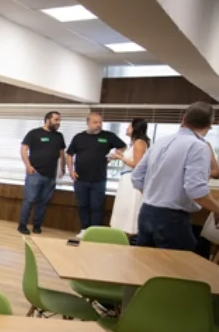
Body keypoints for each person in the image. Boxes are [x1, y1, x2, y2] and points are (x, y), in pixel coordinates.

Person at [132, 102, 219, 251]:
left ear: (183, 119)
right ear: (210, 124)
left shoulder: (161, 142)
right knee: (179, 269)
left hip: (147, 211)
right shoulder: (198, 146)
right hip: (172, 219)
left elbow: (137, 177)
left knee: (145, 266)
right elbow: (196, 190)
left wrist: (156, 196)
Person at [66, 113, 126, 236]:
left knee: (97, 206)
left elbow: (122, 146)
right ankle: (84, 230)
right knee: (83, 205)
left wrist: (112, 156)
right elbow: (69, 154)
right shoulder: (79, 137)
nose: (98, 125)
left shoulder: (108, 136)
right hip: (80, 178)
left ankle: (95, 233)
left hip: (99, 179)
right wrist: (71, 170)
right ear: (88, 123)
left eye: (100, 122)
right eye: (95, 122)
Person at [18, 110, 65, 235]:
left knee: (44, 202)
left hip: (50, 175)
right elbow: (23, 149)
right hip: (35, 172)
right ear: (47, 120)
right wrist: (28, 165)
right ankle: (22, 225)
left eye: (59, 120)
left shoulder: (59, 136)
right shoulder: (34, 133)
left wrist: (63, 168)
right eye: (56, 120)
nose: (58, 123)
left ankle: (37, 225)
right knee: (30, 199)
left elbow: (62, 154)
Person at [109, 118, 150, 240]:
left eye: (129, 126)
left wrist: (121, 158)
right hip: (126, 179)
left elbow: (138, 164)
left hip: (132, 181)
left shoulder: (139, 143)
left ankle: (130, 236)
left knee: (130, 209)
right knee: (123, 209)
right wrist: (120, 156)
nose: (127, 129)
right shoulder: (134, 143)